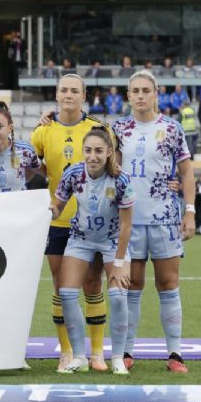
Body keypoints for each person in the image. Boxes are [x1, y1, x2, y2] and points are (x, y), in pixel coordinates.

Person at [112, 70, 195, 373]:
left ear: (156, 93)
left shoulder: (172, 129)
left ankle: (175, 353)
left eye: (146, 90)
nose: (141, 95)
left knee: (168, 283)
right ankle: (128, 352)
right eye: (135, 91)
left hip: (165, 218)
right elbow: (112, 168)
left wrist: (189, 210)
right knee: (131, 285)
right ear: (128, 95)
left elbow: (186, 173)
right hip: (129, 220)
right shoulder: (118, 128)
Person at [32, 74, 113, 370]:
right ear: (56, 94)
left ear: (84, 95)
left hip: (93, 224)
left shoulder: (99, 130)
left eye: (74, 91)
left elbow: (114, 171)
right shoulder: (43, 131)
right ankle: (66, 351)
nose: (68, 95)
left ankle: (97, 352)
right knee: (59, 286)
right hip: (57, 221)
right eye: (64, 90)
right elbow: (33, 171)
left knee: (93, 284)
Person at [50, 126, 135, 375]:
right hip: (81, 238)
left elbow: (127, 224)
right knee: (66, 293)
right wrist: (47, 211)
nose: (93, 156)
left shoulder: (121, 179)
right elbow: (58, 204)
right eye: (88, 150)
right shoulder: (73, 174)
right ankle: (78, 357)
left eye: (99, 150)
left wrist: (119, 261)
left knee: (118, 295)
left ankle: (117, 357)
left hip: (112, 241)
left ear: (109, 152)